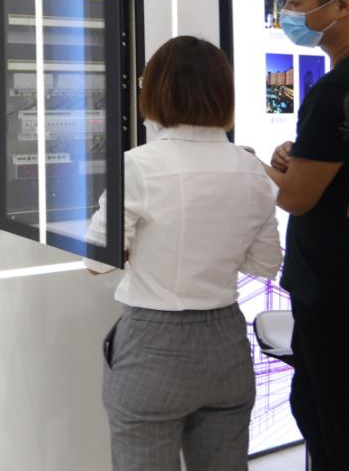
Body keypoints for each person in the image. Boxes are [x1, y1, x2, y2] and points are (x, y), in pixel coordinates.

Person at [87, 36, 281, 470]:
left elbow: (97, 262)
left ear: (157, 92)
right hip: (226, 343)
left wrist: (144, 250)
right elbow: (267, 263)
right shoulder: (251, 168)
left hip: (153, 344)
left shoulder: (138, 164)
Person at [263, 0, 349, 469]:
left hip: (331, 293)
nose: (287, 14)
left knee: (328, 418)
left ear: (341, 5)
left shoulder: (334, 92)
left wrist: (250, 164)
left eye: (295, 2)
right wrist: (298, 158)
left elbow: (297, 198)